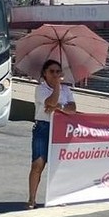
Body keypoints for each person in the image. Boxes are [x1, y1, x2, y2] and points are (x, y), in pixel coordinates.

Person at [27, 58, 76, 209]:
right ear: (45, 73)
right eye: (51, 72)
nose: (55, 74)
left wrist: (58, 107)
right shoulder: (40, 89)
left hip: (60, 128)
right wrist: (57, 91)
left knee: (58, 165)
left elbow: (72, 108)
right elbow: (50, 102)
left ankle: (57, 196)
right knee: (38, 164)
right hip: (43, 127)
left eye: (58, 71)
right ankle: (32, 198)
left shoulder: (66, 90)